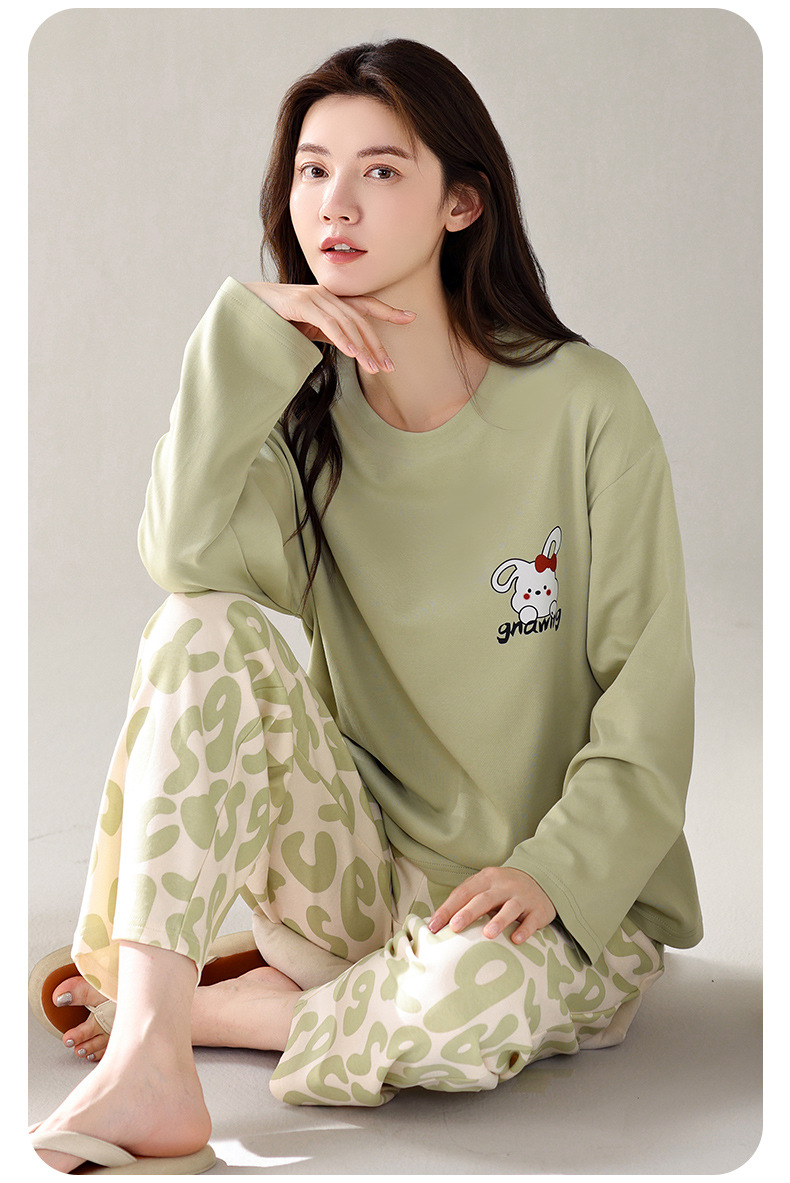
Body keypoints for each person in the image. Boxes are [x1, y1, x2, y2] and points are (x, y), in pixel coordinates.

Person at [30, 37, 703, 1174]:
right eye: (312, 170)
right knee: (198, 625)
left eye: (381, 170)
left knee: (463, 1006)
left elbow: (649, 692)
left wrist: (551, 871)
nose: (333, 204)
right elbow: (181, 552)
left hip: (552, 901)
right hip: (360, 880)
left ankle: (219, 1010)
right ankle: (149, 1049)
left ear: (461, 203)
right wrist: (246, 332)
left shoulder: (586, 405)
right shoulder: (306, 424)